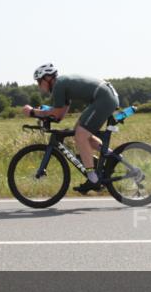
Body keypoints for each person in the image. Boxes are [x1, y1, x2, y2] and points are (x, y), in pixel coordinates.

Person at [23, 63, 119, 194]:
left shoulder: (59, 86)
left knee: (81, 135)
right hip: (105, 96)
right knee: (79, 133)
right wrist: (45, 113)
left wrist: (33, 112)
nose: (38, 85)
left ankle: (92, 178)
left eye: (39, 81)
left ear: (47, 78)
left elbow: (56, 114)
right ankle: (111, 157)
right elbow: (60, 115)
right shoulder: (61, 85)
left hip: (104, 98)